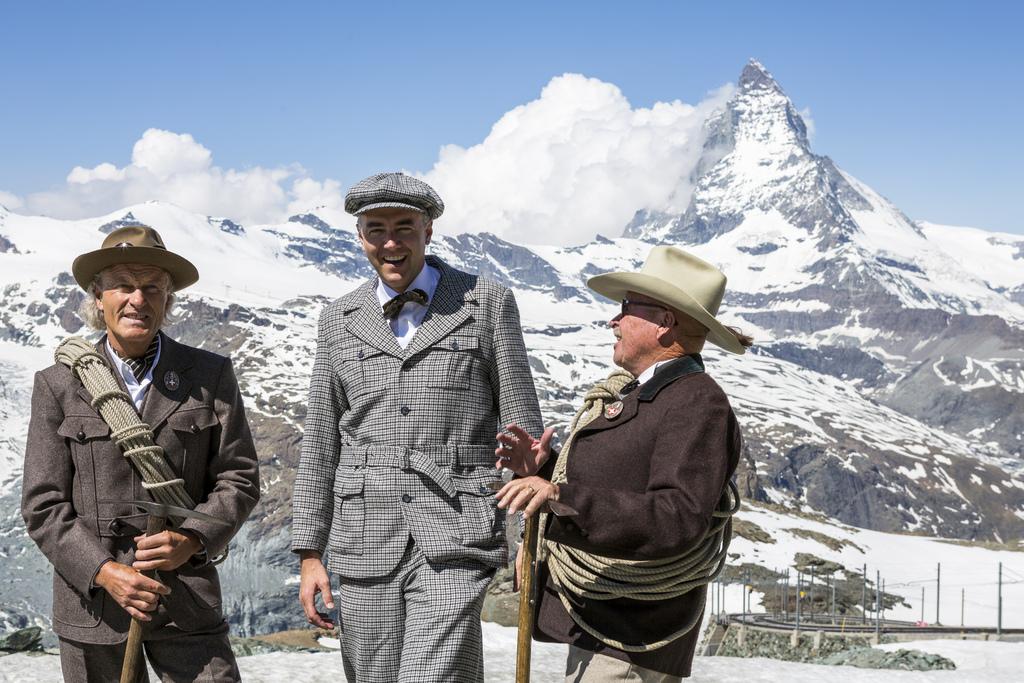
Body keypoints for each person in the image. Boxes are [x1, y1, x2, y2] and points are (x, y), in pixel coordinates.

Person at [291, 172, 544, 682]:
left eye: (404, 227)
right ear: (360, 237)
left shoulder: (486, 303)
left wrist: (531, 540)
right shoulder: (338, 318)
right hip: (363, 539)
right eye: (376, 228)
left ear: (428, 231)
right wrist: (310, 554)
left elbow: (524, 435)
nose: (390, 242)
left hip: (457, 529)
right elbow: (321, 442)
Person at [496, 246, 750, 682]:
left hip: (634, 637)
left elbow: (676, 516)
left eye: (627, 308)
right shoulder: (650, 393)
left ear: (665, 323)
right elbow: (623, 478)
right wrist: (545, 468)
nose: (614, 321)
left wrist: (559, 496)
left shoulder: (696, 401)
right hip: (607, 626)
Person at [21, 225, 261, 682]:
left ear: (168, 299)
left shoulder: (209, 375)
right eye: (123, 286)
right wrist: (105, 571)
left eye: (152, 287)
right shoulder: (57, 385)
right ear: (98, 297)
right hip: (94, 609)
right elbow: (43, 504)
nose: (138, 298)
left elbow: (239, 477)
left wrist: (190, 540)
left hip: (186, 601)